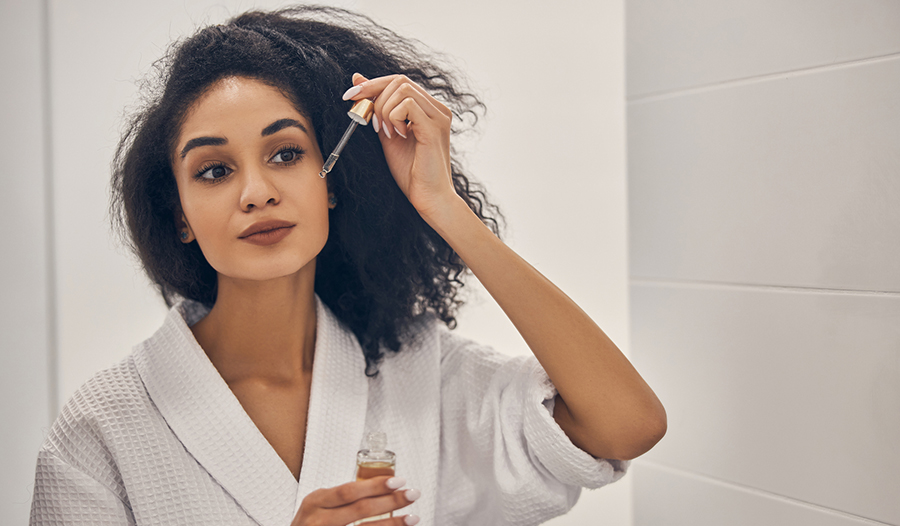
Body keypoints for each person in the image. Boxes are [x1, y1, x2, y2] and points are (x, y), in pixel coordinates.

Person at [29, 6, 665, 526]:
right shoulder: (102, 429)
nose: (256, 192)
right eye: (214, 170)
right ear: (180, 217)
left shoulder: (416, 373)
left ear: (330, 182)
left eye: (285, 154)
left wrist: (441, 205)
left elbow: (626, 425)